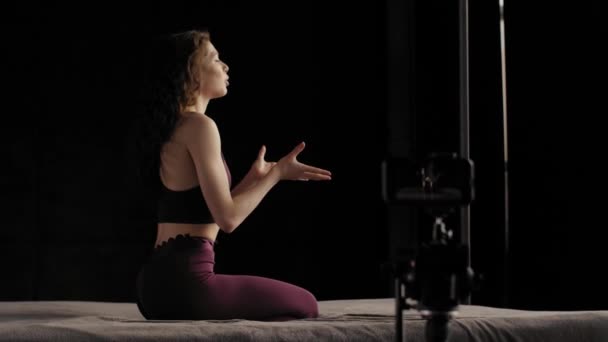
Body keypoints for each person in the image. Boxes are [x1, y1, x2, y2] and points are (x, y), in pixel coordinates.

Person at [132, 29, 331, 321]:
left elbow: (207, 208)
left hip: (152, 287)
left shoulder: (173, 126)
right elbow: (228, 219)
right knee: (307, 304)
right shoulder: (201, 126)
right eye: (215, 58)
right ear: (193, 74)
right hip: (186, 285)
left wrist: (255, 178)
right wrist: (276, 175)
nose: (225, 65)